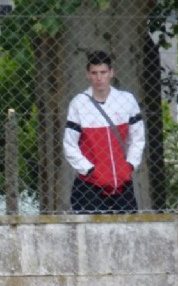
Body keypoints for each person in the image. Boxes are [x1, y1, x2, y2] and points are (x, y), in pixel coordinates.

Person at [63, 50, 145, 214]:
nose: (99, 78)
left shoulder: (126, 100)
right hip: (90, 185)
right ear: (88, 74)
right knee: (88, 234)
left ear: (111, 72)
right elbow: (69, 144)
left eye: (103, 72)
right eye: (94, 73)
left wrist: (129, 166)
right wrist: (90, 170)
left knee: (129, 230)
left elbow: (138, 138)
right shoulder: (79, 104)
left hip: (122, 183)